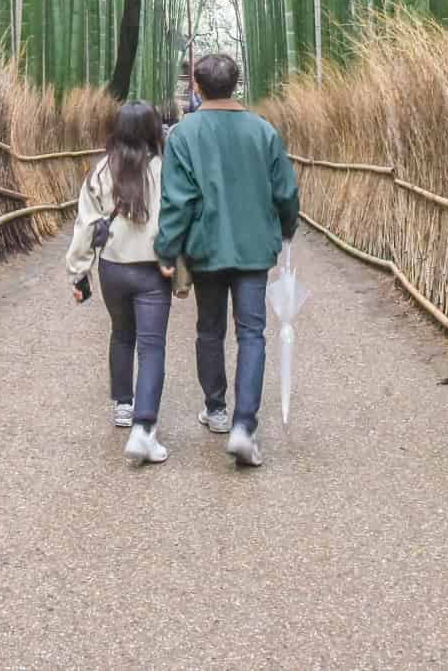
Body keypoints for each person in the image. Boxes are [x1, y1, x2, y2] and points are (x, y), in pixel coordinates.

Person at [154, 53, 300, 468]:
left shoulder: (184, 134)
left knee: (210, 329)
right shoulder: (263, 130)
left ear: (196, 88)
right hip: (254, 249)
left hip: (206, 247)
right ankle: (243, 426)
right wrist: (286, 227)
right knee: (252, 333)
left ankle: (216, 409)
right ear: (236, 85)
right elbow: (285, 190)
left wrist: (167, 249)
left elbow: (176, 201)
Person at [66, 101, 173, 465]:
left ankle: (123, 406)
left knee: (122, 335)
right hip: (152, 270)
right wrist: (178, 264)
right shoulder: (163, 170)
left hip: (112, 267)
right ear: (153, 131)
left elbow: (86, 224)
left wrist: (78, 271)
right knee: (152, 346)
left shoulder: (100, 171)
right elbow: (172, 222)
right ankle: (144, 429)